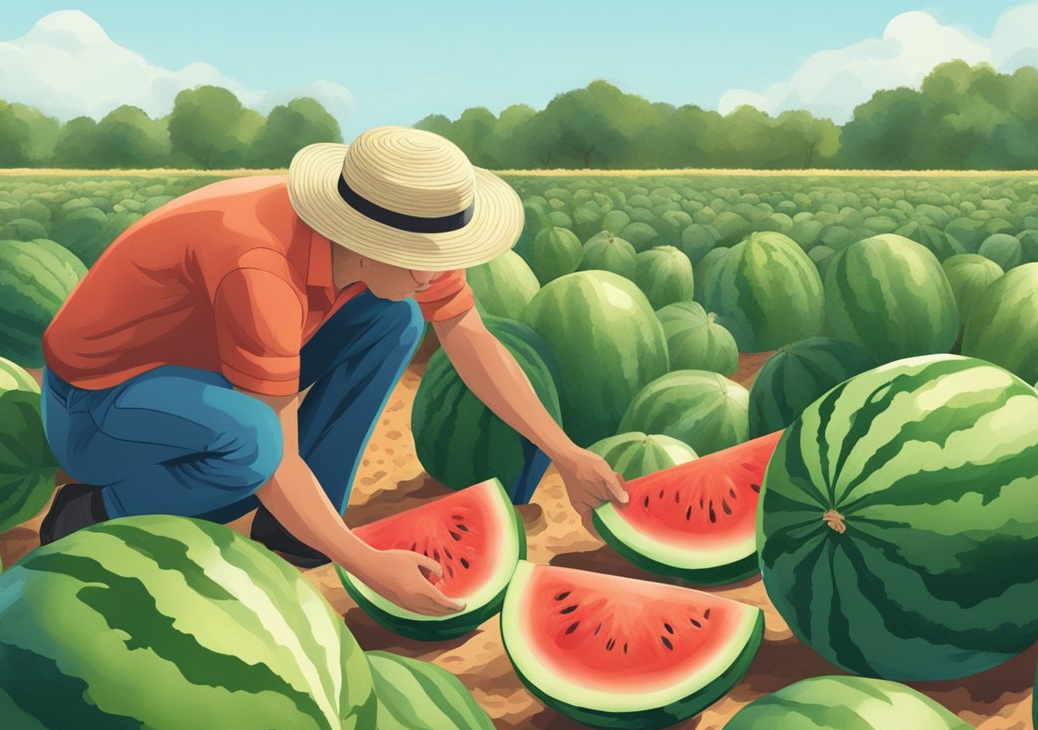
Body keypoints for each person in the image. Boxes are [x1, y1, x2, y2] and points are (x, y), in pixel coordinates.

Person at [37, 126, 628, 618]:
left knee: (393, 320)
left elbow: (469, 339)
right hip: (99, 411)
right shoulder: (261, 268)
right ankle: (88, 515)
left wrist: (566, 452)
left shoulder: (409, 237)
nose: (434, 275)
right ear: (366, 240)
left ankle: (295, 530)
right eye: (423, 261)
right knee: (252, 445)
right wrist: (365, 562)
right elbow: (275, 447)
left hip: (208, 377)